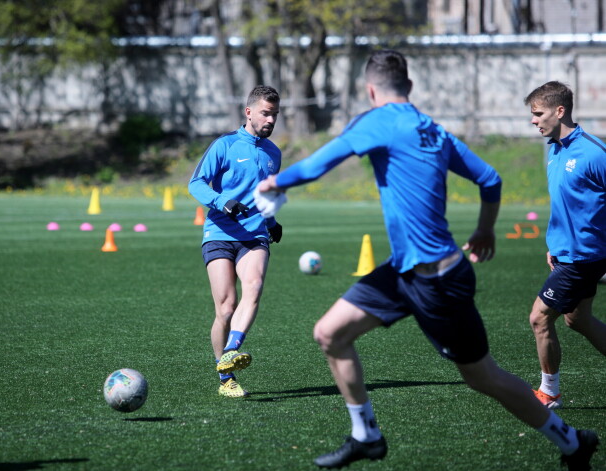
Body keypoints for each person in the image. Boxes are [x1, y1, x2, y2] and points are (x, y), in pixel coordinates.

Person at [256, 51, 598, 470]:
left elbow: (319, 163)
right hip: (402, 271)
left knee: (483, 376)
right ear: (411, 88)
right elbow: (490, 179)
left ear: (370, 90)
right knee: (330, 333)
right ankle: (366, 435)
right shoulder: (434, 130)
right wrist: (485, 229)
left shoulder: (376, 121)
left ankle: (571, 441)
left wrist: (276, 180)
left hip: (439, 280)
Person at [189, 85, 283, 398]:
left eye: (274, 115)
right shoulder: (225, 145)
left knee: (253, 285)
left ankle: (231, 350)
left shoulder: (274, 154)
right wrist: (222, 202)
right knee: (226, 307)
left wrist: (271, 222)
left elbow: (265, 197)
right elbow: (196, 183)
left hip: (254, 235)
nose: (270, 120)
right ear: (249, 112)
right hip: (218, 233)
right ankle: (225, 377)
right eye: (265, 113)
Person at [523, 81, 606, 410]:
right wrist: (554, 243)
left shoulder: (593, 153)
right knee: (579, 320)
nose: (533, 121)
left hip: (583, 258)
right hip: (566, 254)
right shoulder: (554, 150)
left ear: (560, 111)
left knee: (540, 319)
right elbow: (566, 205)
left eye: (538, 113)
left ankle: (549, 392)